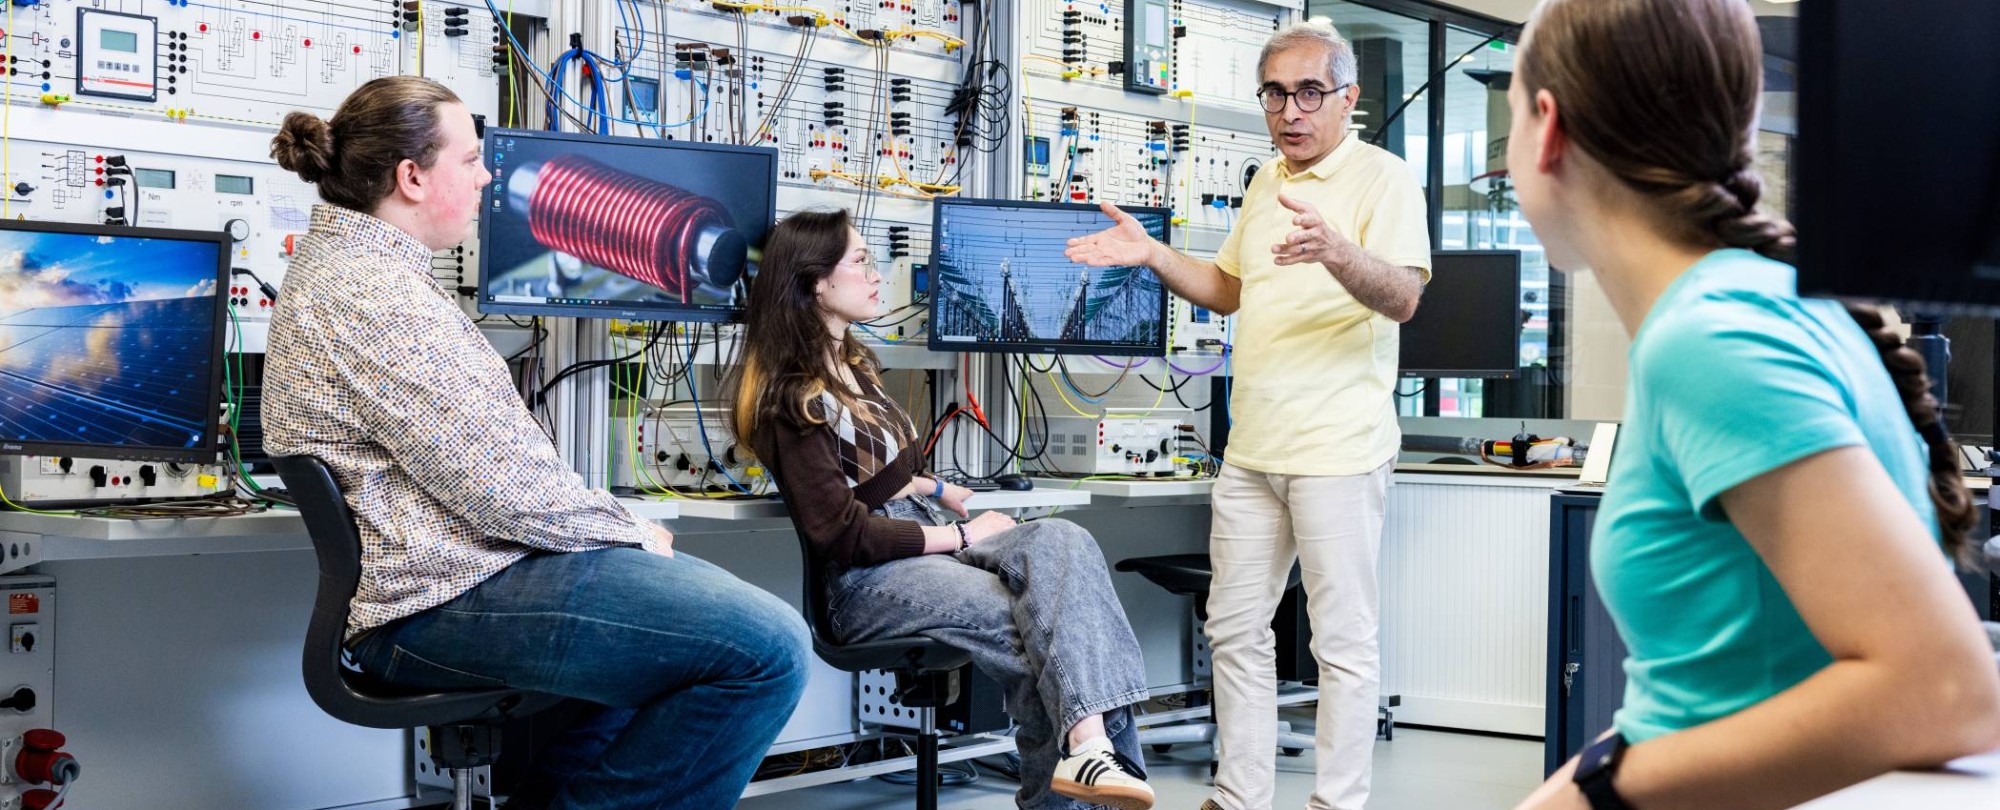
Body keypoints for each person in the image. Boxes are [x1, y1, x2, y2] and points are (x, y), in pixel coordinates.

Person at [1497, 1, 2000, 808]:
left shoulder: (1713, 338)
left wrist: (1599, 789)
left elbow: (1944, 690)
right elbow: (1710, 689)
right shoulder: (1757, 304)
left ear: (1547, 126)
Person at [263, 76, 810, 810]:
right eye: (470, 159)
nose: (488, 175)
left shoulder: (361, 274)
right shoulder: (372, 294)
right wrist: (631, 532)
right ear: (412, 177)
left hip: (466, 575)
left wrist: (615, 539)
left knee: (677, 641)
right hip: (439, 599)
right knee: (770, 649)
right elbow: (499, 490)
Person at [1066, 22, 1431, 810]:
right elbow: (1230, 288)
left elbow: (1403, 297)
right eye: (1276, 93)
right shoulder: (1266, 182)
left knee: (1341, 645)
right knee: (1234, 631)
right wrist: (1155, 256)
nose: (1291, 111)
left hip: (1338, 449)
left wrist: (1336, 250)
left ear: (1347, 99)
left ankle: (1337, 804)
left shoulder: (1384, 179)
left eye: (1309, 93)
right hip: (1253, 452)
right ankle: (1240, 799)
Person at [731, 208, 1155, 810]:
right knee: (1043, 628)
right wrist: (959, 537)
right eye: (860, 262)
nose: (877, 275)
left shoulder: (854, 367)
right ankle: (1088, 768)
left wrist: (935, 490)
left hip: (926, 534)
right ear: (814, 282)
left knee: (1066, 543)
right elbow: (841, 535)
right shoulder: (792, 401)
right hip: (867, 580)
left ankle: (1089, 752)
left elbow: (884, 473)